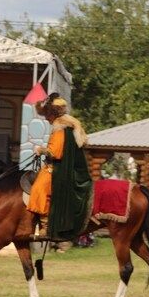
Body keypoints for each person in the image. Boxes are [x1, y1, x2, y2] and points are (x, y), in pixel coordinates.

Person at [27, 94, 92, 240]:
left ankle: (45, 226)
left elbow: (55, 153)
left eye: (46, 114)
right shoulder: (64, 126)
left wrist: (41, 150)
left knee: (39, 188)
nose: (45, 118)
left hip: (59, 170)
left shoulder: (60, 129)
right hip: (59, 167)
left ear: (52, 113)